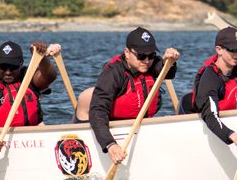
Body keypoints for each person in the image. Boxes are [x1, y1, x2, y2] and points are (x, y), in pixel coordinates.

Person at [76, 27, 180, 165]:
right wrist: (110, 145)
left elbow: (167, 72)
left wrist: (170, 61)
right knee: (88, 97)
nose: (147, 61)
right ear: (127, 52)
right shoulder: (113, 73)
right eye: (141, 56)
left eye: (151, 55)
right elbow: (98, 111)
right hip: (115, 127)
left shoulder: (150, 64)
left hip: (140, 125)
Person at [0, 40, 62, 155]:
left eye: (13, 67)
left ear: (21, 64)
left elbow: (49, 76)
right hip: (2, 147)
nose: (8, 72)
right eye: (3, 67)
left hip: (34, 142)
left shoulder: (27, 76)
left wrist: (41, 57)